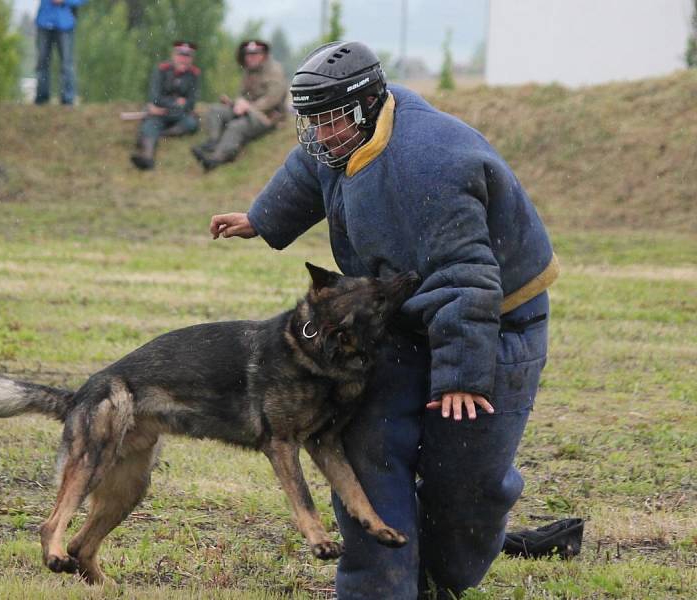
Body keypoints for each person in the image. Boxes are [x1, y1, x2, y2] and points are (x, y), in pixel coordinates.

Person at [209, 41, 558, 599]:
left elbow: (466, 276)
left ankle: (442, 579)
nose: (321, 135)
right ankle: (379, 587)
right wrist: (261, 218)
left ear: (371, 103)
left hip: (493, 321)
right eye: (312, 122)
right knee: (368, 450)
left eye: (331, 122)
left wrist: (462, 375)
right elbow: (308, 171)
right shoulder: (340, 137)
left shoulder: (433, 164)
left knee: (465, 482)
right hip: (398, 318)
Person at [191, 39, 288, 171]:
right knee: (215, 111)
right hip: (248, 111)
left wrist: (249, 107)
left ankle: (217, 158)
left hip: (268, 116)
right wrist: (235, 103)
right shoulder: (249, 70)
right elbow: (244, 95)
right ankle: (213, 141)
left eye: (255, 53)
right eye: (248, 54)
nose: (251, 57)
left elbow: (273, 99)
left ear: (264, 55)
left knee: (236, 127)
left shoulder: (274, 70)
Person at [130, 41, 202, 171]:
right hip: (159, 113)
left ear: (191, 59)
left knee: (191, 124)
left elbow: (191, 102)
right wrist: (176, 102)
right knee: (150, 124)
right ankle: (147, 158)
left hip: (178, 114)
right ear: (174, 56)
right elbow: (155, 98)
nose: (183, 59)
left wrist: (172, 105)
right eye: (181, 55)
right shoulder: (162, 70)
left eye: (187, 56)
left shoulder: (194, 74)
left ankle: (162, 134)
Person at [34, 0, 86, 106]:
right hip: (44, 22)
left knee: (67, 64)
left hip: (65, 24)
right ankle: (41, 98)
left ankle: (67, 99)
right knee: (42, 62)